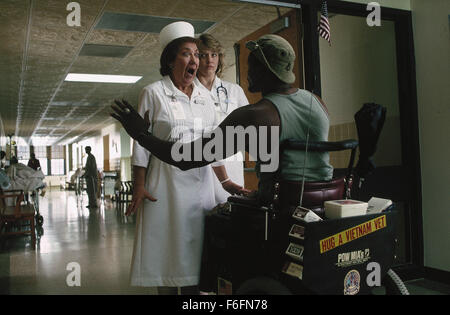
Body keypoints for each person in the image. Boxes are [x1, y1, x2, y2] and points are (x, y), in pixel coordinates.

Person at [112, 34, 333, 207]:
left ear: (265, 69)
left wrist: (141, 135)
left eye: (252, 64)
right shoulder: (316, 102)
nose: (247, 72)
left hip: (281, 205)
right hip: (323, 199)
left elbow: (187, 158)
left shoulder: (255, 115)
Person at [125, 21, 242, 295]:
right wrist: (138, 186)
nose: (196, 60)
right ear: (170, 60)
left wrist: (224, 181)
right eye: (187, 54)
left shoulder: (204, 97)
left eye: (197, 54)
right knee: (165, 260)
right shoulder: (153, 93)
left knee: (194, 262)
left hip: (198, 189)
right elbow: (141, 145)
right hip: (163, 188)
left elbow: (212, 145)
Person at [195, 34, 250, 204]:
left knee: (229, 213)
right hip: (199, 164)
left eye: (214, 54)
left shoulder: (234, 91)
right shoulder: (188, 90)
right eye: (203, 55)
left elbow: (249, 125)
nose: (209, 60)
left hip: (231, 162)